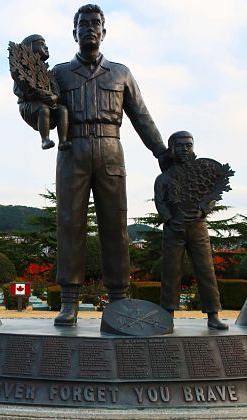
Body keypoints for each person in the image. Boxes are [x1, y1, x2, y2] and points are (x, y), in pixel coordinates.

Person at [52, 4, 169, 326]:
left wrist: (161, 151)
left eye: (95, 23)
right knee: (69, 224)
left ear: (104, 31)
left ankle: (119, 299)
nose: (89, 28)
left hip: (110, 148)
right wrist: (27, 100)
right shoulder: (59, 74)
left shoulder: (121, 73)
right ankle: (69, 301)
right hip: (71, 148)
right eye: (83, 24)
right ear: (73, 32)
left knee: (115, 226)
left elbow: (141, 116)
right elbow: (41, 117)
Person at [154, 131, 229, 330]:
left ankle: (213, 314)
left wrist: (204, 209)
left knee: (206, 271)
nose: (185, 149)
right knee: (171, 272)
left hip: (198, 229)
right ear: (171, 150)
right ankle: (168, 313)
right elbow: (160, 203)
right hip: (174, 229)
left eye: (189, 145)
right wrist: (170, 219)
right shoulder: (163, 178)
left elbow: (212, 195)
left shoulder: (203, 173)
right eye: (180, 146)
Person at [13, 34, 70, 151]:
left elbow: (55, 89)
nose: (46, 47)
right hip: (30, 106)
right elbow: (19, 90)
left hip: (50, 104)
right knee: (43, 109)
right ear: (29, 47)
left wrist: (55, 97)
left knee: (62, 110)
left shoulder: (47, 72)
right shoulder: (22, 69)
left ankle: (63, 141)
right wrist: (36, 94)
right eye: (41, 44)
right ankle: (45, 139)